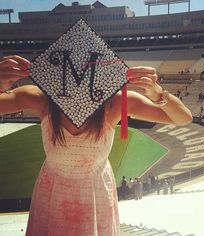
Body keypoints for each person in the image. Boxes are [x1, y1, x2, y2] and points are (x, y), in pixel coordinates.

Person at [0, 55, 192, 236]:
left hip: (96, 194)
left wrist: (157, 93)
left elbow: (183, 118)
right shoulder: (42, 98)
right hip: (52, 192)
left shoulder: (117, 102)